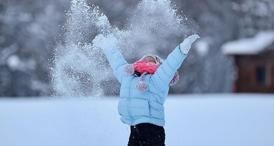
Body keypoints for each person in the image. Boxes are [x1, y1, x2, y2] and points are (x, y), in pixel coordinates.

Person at [93, 33, 200, 146]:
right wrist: (107, 46)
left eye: (152, 60)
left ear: (158, 64)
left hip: (153, 129)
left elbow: (171, 64)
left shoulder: (158, 78)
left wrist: (182, 49)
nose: (148, 60)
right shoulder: (128, 76)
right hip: (134, 128)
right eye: (145, 59)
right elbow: (117, 62)